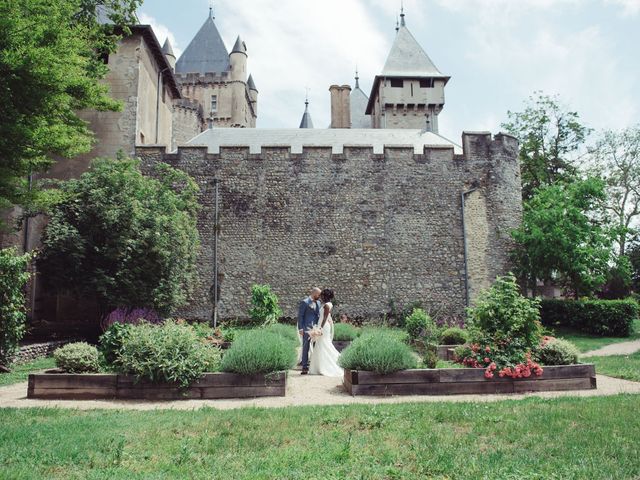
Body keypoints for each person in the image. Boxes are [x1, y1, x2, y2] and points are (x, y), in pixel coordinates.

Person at [308, 288, 343, 377]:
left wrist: (320, 328)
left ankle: (333, 362)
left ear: (325, 296)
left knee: (324, 345)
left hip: (323, 327)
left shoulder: (327, 305)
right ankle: (320, 366)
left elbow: (325, 318)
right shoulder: (328, 304)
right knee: (321, 345)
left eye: (322, 295)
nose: (321, 297)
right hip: (322, 326)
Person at [297, 287, 321, 375]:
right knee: (305, 348)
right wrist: (301, 328)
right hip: (306, 329)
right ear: (314, 293)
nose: (320, 296)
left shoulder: (318, 302)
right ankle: (304, 367)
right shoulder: (305, 302)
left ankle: (315, 367)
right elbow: (300, 316)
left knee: (317, 347)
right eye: (319, 295)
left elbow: (318, 316)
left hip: (316, 329)